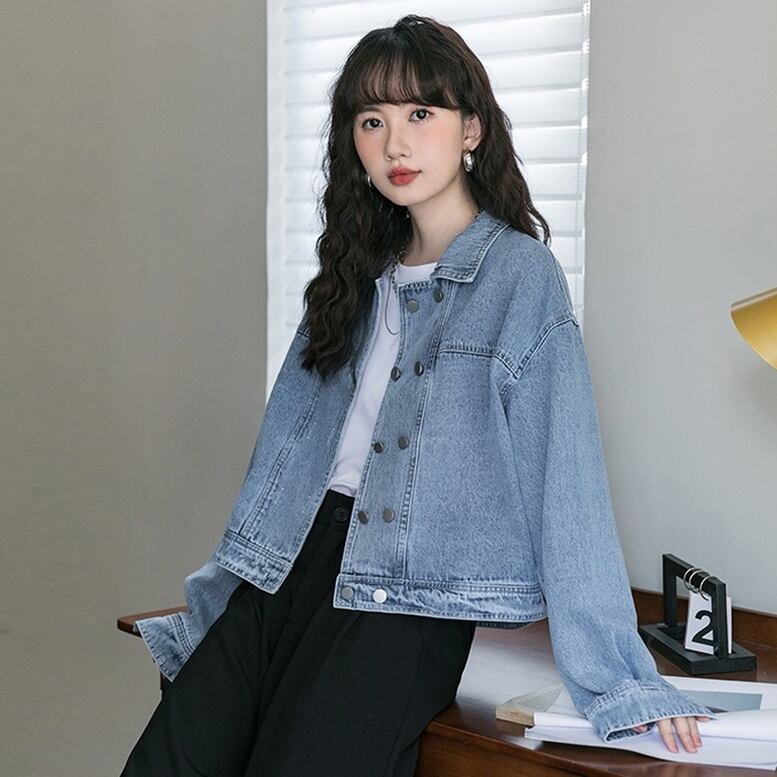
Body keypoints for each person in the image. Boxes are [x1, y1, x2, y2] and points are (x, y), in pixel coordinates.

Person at [120, 14, 714, 776]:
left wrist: (619, 681)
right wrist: (221, 588)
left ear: (471, 129)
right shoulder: (349, 274)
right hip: (283, 566)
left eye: (420, 113)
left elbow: (565, 479)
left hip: (403, 600)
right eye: (372, 120)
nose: (395, 144)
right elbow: (280, 456)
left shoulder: (518, 277)